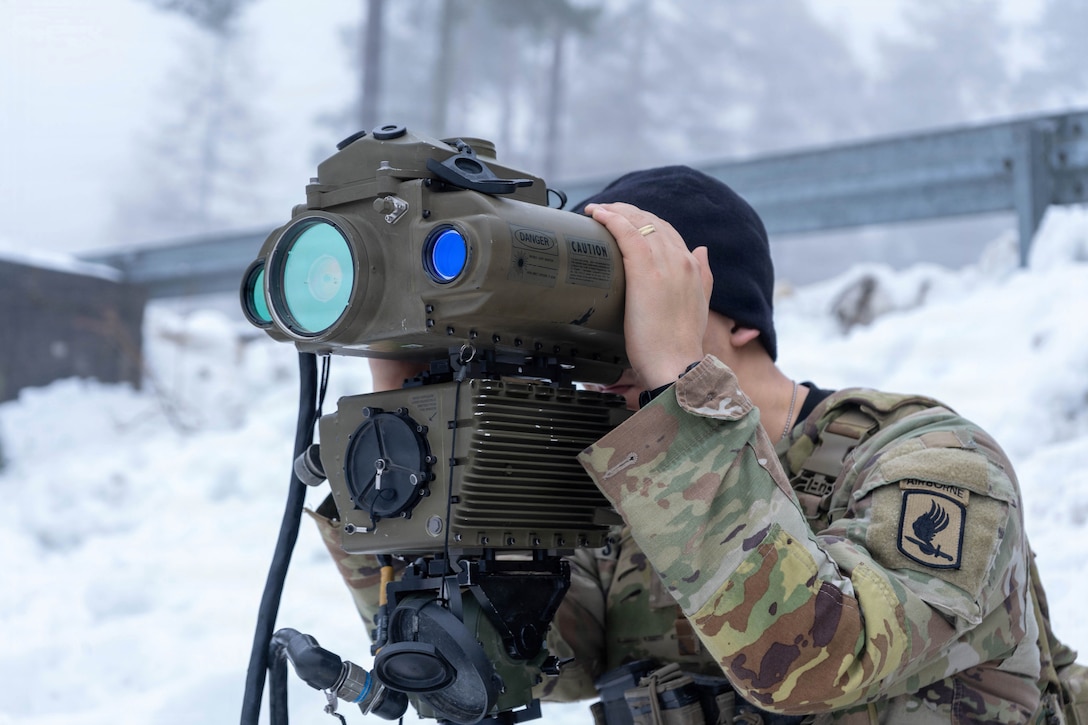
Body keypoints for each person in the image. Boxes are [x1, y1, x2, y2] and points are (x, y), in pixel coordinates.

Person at [311, 166, 1078, 724]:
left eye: (621, 306)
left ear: (736, 318)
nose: (598, 346)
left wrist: (676, 378)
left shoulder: (929, 460)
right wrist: (406, 452)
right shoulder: (640, 470)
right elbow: (537, 663)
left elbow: (825, 659)